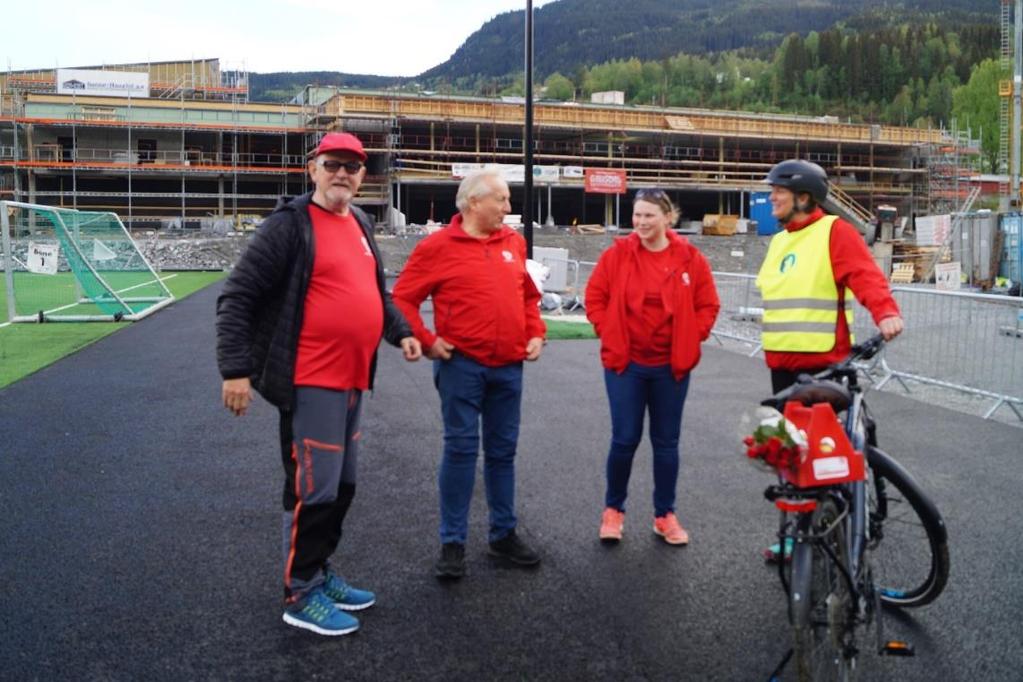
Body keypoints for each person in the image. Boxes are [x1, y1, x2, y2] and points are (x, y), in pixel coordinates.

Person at [216, 132, 422, 636]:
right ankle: (300, 592)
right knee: (315, 489)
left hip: (353, 381)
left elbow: (375, 294)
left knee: (342, 486)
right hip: (310, 379)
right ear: (313, 169)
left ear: (362, 177)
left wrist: (402, 333)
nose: (343, 174)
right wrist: (234, 371)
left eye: (353, 167)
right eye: (333, 164)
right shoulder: (289, 226)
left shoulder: (359, 222)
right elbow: (237, 297)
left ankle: (319, 569)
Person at [392, 168, 546, 580]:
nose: (509, 209)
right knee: (460, 450)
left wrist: (536, 332)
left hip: (509, 367)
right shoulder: (437, 247)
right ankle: (453, 543)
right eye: (502, 200)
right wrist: (426, 339)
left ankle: (502, 536)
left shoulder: (514, 241)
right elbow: (403, 299)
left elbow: (528, 297)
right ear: (474, 202)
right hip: (462, 365)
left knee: (502, 453)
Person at [756, 159, 903, 561]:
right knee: (790, 454)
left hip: (822, 366)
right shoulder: (781, 240)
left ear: (803, 197)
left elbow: (865, 274)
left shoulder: (834, 232)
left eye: (779, 192)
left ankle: (835, 520)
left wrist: (885, 311)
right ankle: (796, 533)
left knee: (821, 453)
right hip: (781, 367)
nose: (772, 198)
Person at [585, 189, 720, 546]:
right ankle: (613, 511)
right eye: (638, 215)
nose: (642, 223)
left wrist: (693, 335)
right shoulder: (617, 255)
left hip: (670, 367)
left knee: (666, 443)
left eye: (650, 216)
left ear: (668, 218)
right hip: (625, 363)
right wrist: (608, 331)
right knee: (625, 438)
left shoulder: (690, 258)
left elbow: (708, 304)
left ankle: (665, 515)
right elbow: (595, 297)